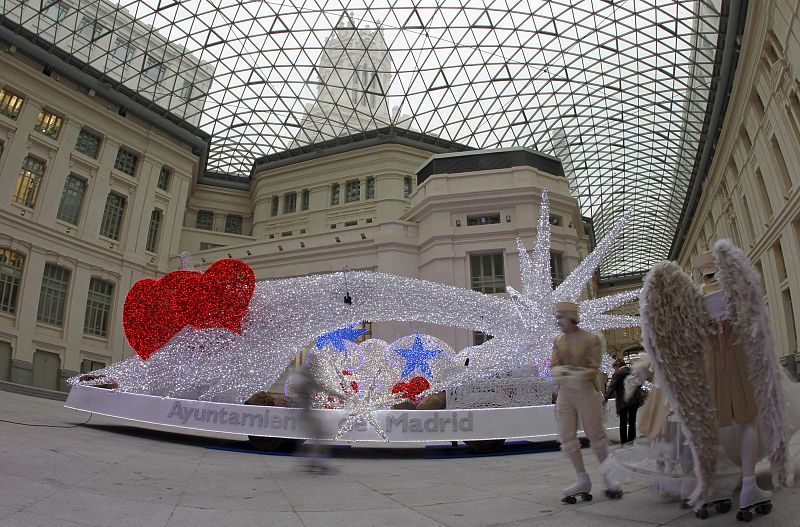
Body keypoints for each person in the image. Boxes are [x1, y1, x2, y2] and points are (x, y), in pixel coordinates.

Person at [551, 301, 623, 502]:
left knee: (596, 434)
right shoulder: (558, 341)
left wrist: (576, 374)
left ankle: (609, 477)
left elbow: (594, 365)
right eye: (557, 318)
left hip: (586, 389)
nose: (558, 322)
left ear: (572, 317)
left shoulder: (592, 339)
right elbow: (553, 364)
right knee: (566, 436)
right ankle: (582, 477)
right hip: (566, 392)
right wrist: (560, 373)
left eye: (561, 317)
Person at [291, 355, 342, 473]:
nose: (317, 367)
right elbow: (317, 387)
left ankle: (311, 461)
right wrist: (338, 395)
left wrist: (338, 395)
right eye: (316, 364)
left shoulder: (305, 376)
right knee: (321, 434)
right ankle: (315, 461)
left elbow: (318, 387)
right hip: (304, 412)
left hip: (305, 412)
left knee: (318, 435)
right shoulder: (304, 377)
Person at [605, 358, 643, 444]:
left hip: (623, 401)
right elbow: (639, 383)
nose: (614, 369)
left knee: (623, 422)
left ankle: (624, 442)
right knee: (632, 422)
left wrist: (605, 398)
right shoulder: (633, 371)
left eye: (614, 367)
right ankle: (631, 440)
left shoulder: (618, 374)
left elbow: (612, 387)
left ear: (618, 366)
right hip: (634, 400)